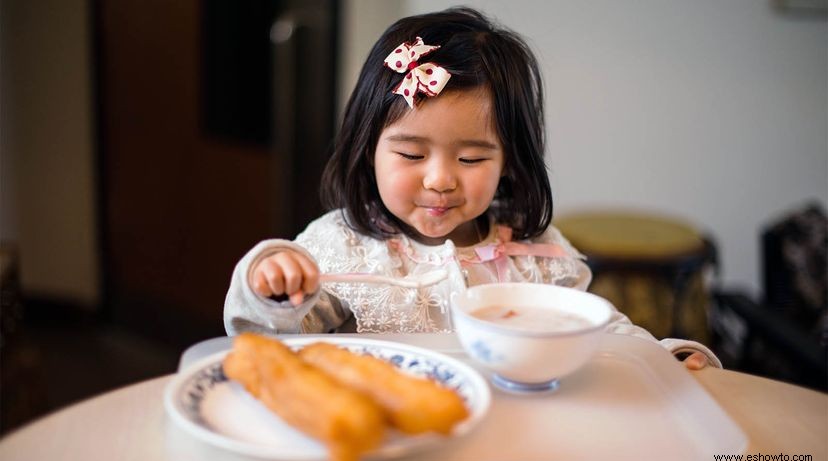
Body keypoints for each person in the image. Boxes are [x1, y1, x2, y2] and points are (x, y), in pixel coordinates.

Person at [224, 7, 718, 370]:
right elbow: (268, 348)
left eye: (472, 158)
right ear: (367, 148)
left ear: (508, 160)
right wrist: (272, 288)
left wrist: (664, 360)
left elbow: (598, 333)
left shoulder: (534, 252)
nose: (440, 179)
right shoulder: (341, 246)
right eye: (412, 155)